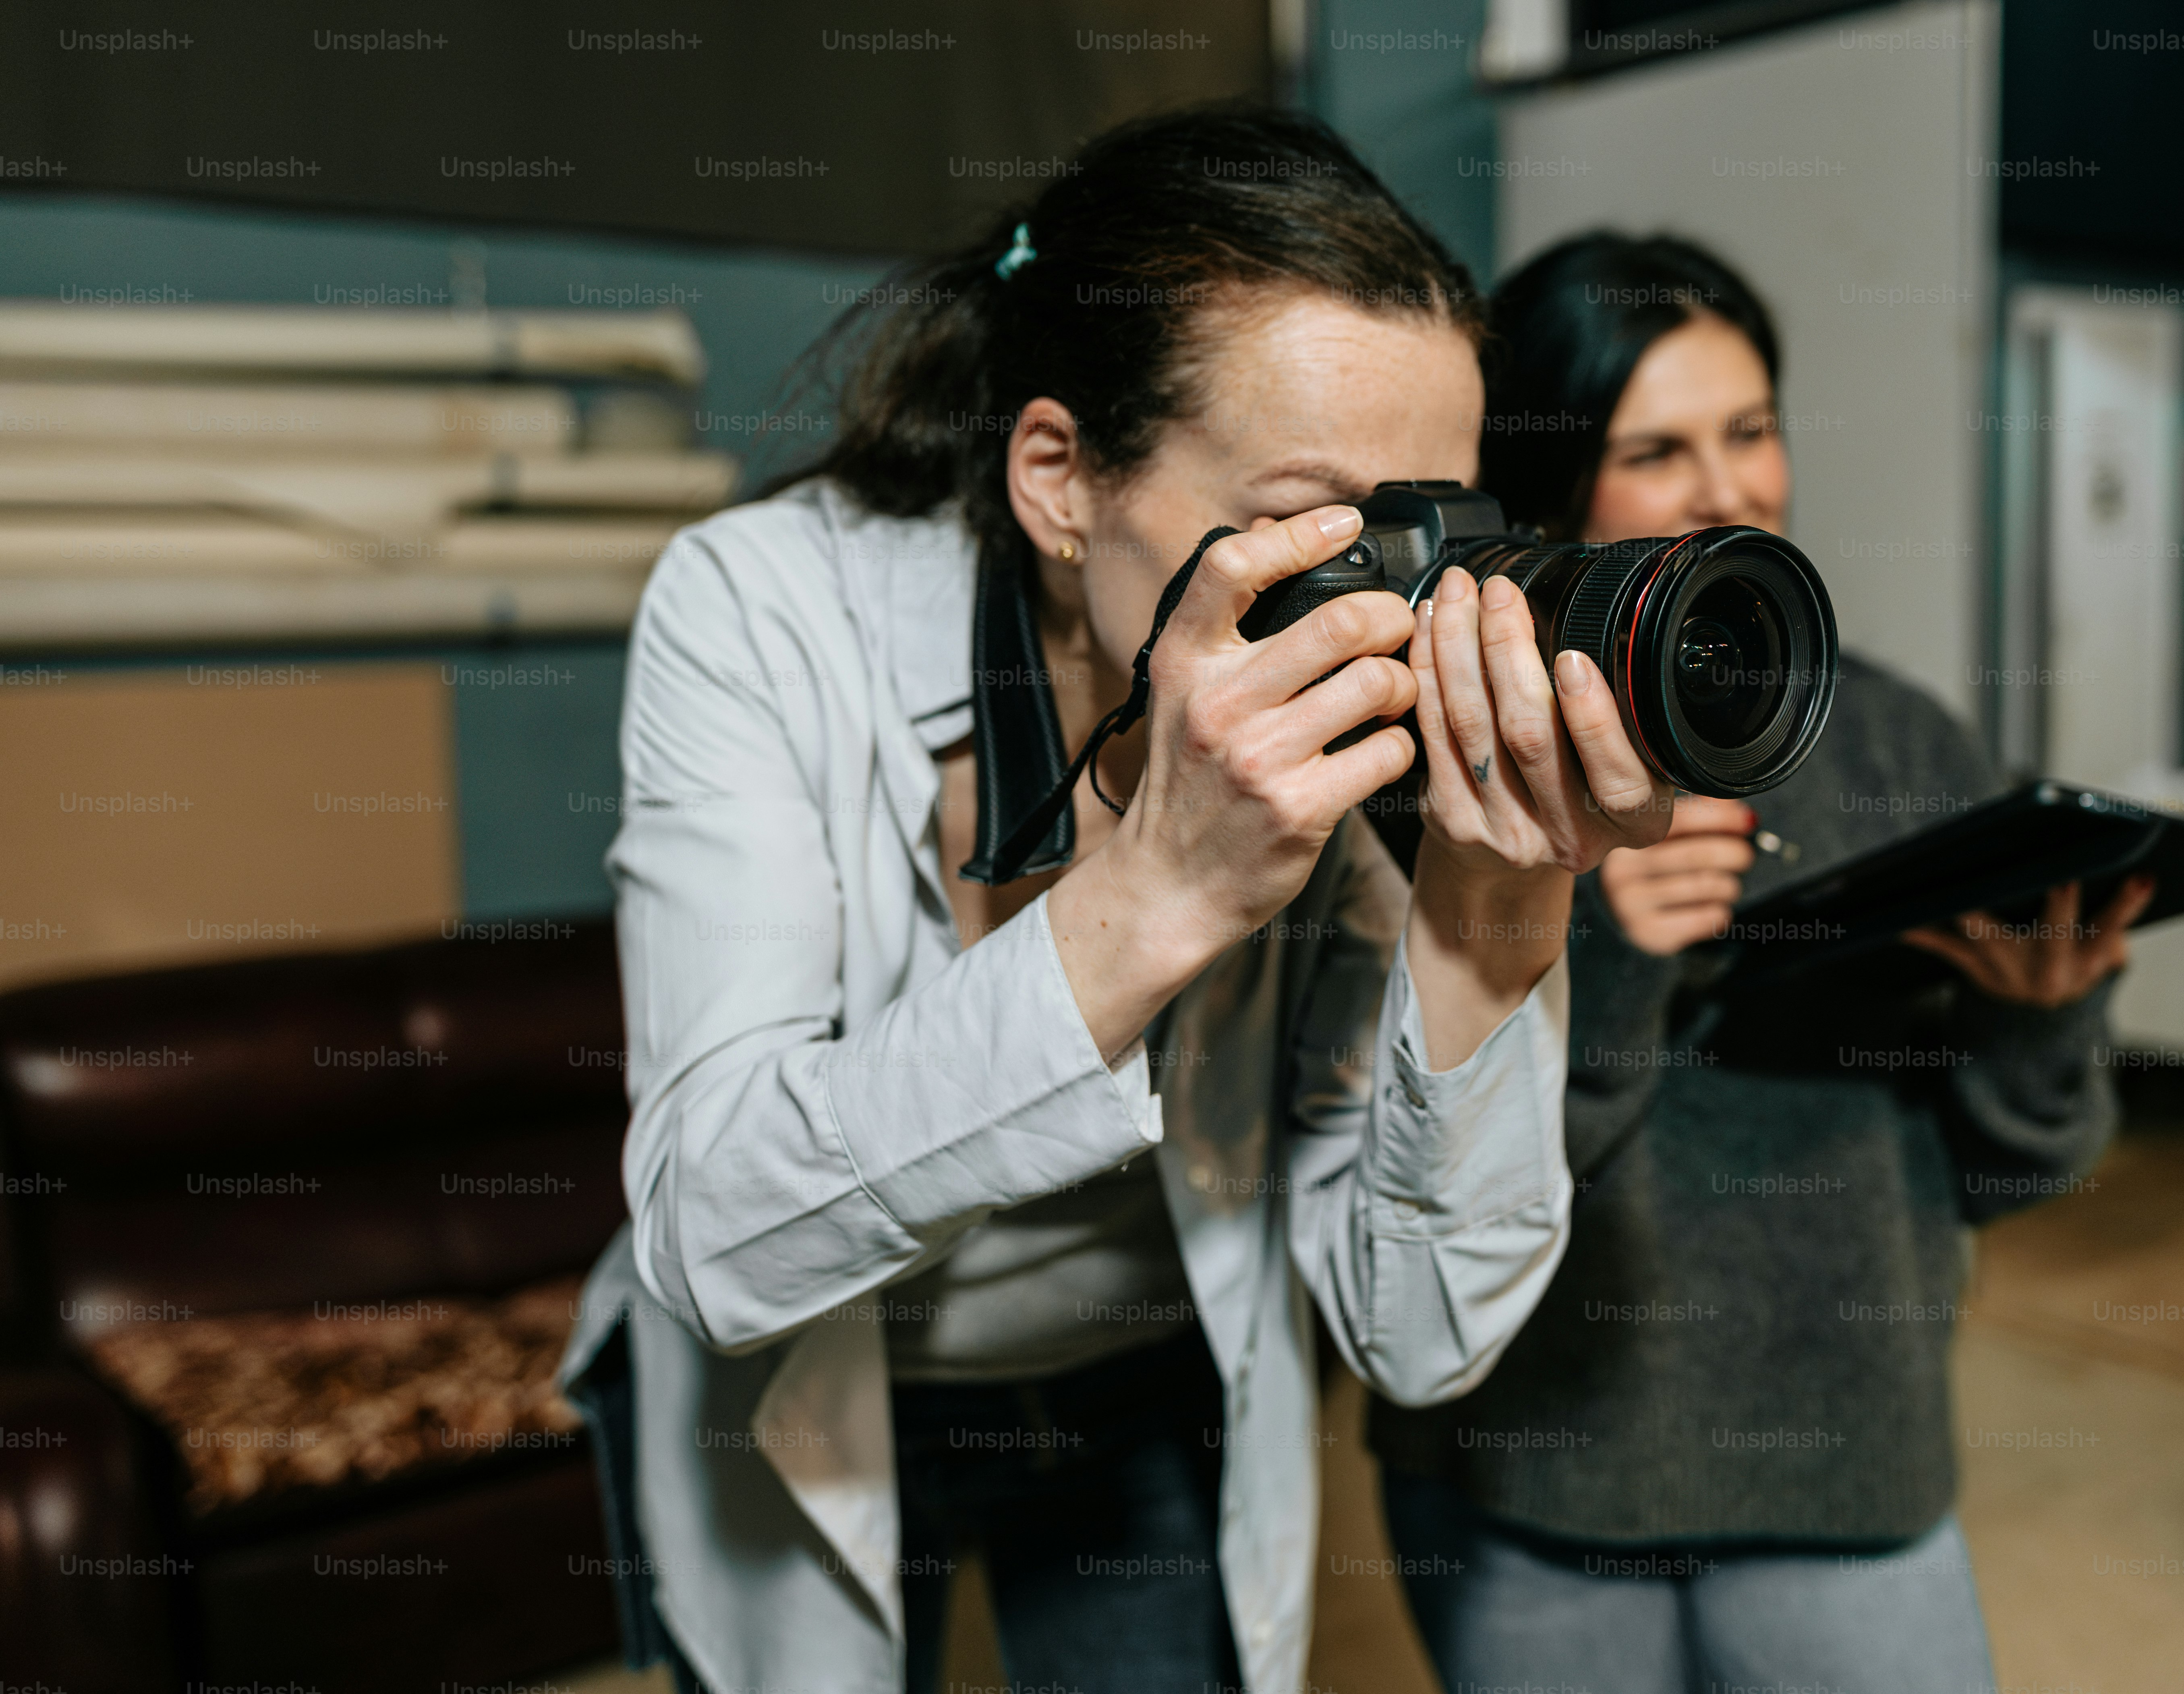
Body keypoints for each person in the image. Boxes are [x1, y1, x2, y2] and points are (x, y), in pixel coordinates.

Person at [556, 115, 1675, 1694]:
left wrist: (1494, 912)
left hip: (1136, 1372)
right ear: (1061, 476)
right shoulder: (759, 610)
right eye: (1318, 515)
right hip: (816, 1377)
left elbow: (1426, 1331)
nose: (1398, 591)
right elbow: (716, 1228)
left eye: (1435, 518)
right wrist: (1156, 891)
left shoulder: (1338, 717)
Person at [1370, 232, 2156, 1694]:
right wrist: (1599, 951)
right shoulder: (1446, 769)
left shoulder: (1904, 738)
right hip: (1534, 1470)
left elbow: (2005, 1179)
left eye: (1751, 431)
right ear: (1552, 486)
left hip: (1850, 1466)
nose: (1729, 491)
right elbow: (1416, 1197)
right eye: (1658, 450)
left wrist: (2038, 1030)